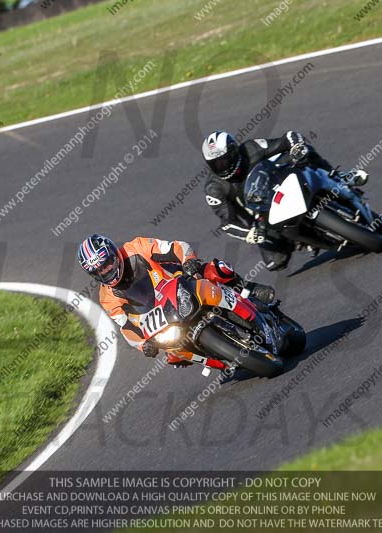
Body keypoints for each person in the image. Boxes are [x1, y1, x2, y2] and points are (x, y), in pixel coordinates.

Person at [77, 234, 275, 367]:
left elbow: (176, 247)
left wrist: (188, 260)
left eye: (107, 263)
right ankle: (220, 361)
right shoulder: (107, 297)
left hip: (182, 283)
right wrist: (143, 345)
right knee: (173, 356)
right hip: (163, 318)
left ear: (114, 253)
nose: (107, 270)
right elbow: (126, 327)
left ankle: (250, 290)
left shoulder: (137, 248)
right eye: (99, 270)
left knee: (217, 270)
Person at [202, 130, 366, 271]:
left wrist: (296, 147)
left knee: (305, 151)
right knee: (275, 262)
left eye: (224, 160)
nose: (222, 166)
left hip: (279, 182)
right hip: (262, 216)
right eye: (215, 164)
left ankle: (339, 177)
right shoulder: (214, 188)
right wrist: (250, 234)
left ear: (234, 151)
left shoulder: (250, 148)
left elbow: (287, 139)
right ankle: (299, 240)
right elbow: (227, 223)